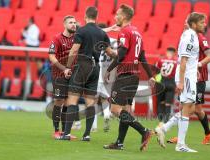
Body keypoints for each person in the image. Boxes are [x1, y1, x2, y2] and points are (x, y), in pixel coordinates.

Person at [103, 4, 156, 151]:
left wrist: (109, 69)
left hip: (124, 75)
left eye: (118, 14)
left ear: (124, 16)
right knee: (125, 110)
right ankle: (119, 143)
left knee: (114, 109)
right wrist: (150, 76)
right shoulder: (137, 32)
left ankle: (144, 131)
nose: (115, 16)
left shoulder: (125, 32)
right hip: (134, 76)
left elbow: (121, 53)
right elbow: (143, 57)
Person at [61, 6, 116, 141]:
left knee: (72, 99)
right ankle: (86, 135)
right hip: (95, 67)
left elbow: (74, 51)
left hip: (82, 65)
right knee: (90, 102)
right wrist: (120, 56)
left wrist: (68, 67)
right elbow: (110, 52)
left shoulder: (81, 31)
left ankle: (66, 134)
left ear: (85, 16)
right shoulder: (102, 33)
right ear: (96, 17)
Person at [155, 12, 207, 152]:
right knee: (188, 108)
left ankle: (164, 128)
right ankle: (180, 145)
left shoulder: (191, 35)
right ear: (194, 24)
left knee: (188, 108)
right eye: (202, 22)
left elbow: (188, 59)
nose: (205, 24)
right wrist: (182, 81)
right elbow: (183, 60)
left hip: (189, 75)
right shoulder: (190, 36)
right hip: (187, 78)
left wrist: (194, 68)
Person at [167, 32, 210, 145]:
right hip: (188, 77)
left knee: (194, 108)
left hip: (199, 78)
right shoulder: (185, 37)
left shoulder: (201, 38)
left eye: (187, 23)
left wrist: (197, 65)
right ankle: (181, 137)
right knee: (185, 106)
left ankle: (207, 134)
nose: (185, 26)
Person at [48, 15, 78, 139]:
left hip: (72, 75)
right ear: (64, 24)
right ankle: (56, 131)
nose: (73, 24)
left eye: (75, 22)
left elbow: (92, 31)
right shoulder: (57, 38)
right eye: (71, 22)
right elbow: (51, 56)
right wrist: (63, 68)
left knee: (67, 103)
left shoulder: (77, 38)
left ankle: (65, 133)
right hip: (59, 75)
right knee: (59, 101)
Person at [156, 47, 177, 123]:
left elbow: (156, 71)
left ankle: (160, 120)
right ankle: (166, 122)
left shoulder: (160, 60)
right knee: (168, 103)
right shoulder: (176, 61)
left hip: (161, 82)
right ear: (174, 53)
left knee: (161, 102)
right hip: (171, 83)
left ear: (167, 52)